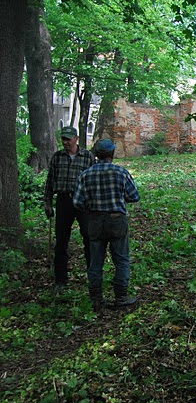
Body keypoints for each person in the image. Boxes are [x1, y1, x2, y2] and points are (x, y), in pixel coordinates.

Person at [73, 139, 140, 311]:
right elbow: (134, 196)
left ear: (96, 154)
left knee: (95, 262)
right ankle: (121, 298)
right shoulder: (121, 172)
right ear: (112, 154)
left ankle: (96, 299)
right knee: (121, 260)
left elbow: (78, 202)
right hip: (117, 220)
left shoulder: (85, 175)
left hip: (95, 221)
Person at [43, 126, 95, 294]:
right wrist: (48, 203)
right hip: (64, 201)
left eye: (68, 139)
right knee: (61, 242)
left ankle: (93, 277)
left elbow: (94, 180)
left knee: (88, 238)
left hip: (83, 202)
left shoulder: (87, 156)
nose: (65, 142)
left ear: (76, 139)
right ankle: (60, 280)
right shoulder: (57, 157)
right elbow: (50, 182)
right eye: (63, 139)